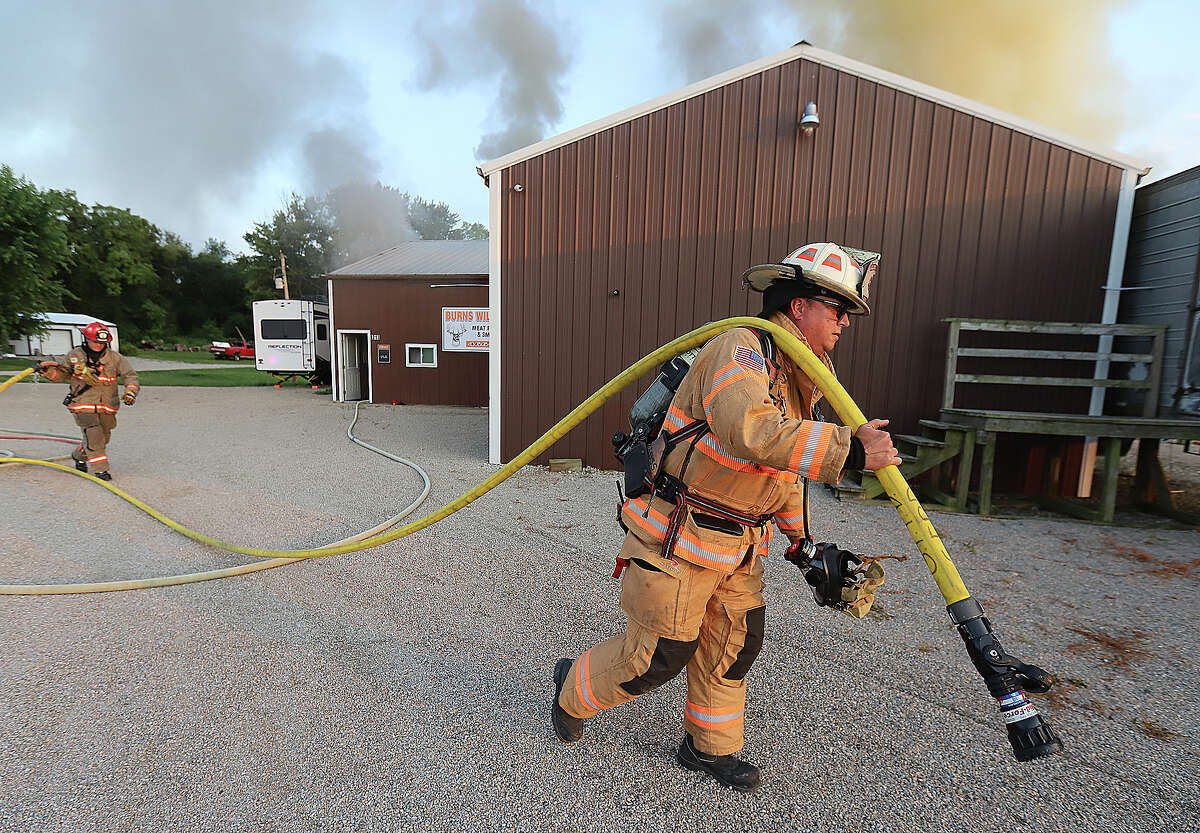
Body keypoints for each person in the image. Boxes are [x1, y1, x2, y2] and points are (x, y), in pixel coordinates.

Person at [551, 242, 901, 792]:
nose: (842, 324)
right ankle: (574, 685)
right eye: (835, 309)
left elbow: (781, 473)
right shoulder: (740, 349)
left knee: (735, 645)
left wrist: (803, 545)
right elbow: (753, 434)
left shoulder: (796, 374)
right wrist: (850, 451)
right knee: (660, 653)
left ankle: (710, 747)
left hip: (740, 547)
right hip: (679, 538)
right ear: (799, 305)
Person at [36, 321, 140, 481]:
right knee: (94, 434)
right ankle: (101, 470)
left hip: (107, 406)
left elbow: (130, 375)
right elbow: (62, 374)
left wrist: (131, 391)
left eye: (102, 342)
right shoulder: (75, 356)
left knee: (103, 437)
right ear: (86, 339)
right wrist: (48, 372)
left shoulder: (115, 358)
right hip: (82, 403)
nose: (98, 345)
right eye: (95, 341)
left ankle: (79, 456)